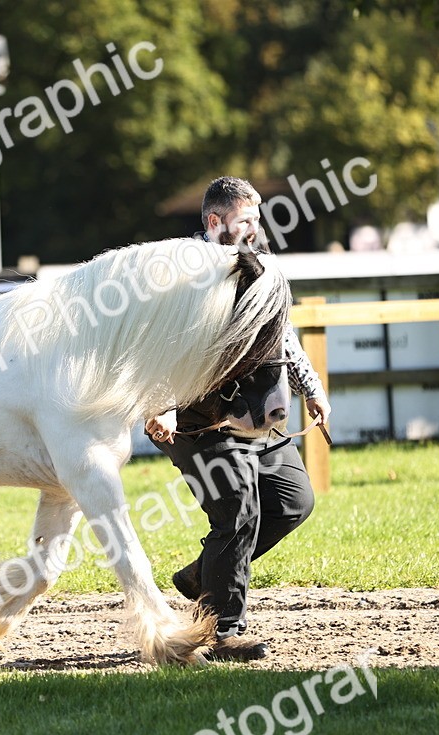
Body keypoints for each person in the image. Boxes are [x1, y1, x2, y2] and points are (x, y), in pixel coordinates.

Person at [145, 176, 331, 662]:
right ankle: (223, 630)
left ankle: (201, 577)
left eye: (258, 217)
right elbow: (160, 344)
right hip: (195, 418)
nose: (256, 228)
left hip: (252, 415)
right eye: (246, 219)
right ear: (214, 222)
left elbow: (281, 335)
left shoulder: (262, 265)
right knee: (238, 513)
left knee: (294, 501)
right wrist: (161, 404)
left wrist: (310, 388)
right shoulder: (180, 275)